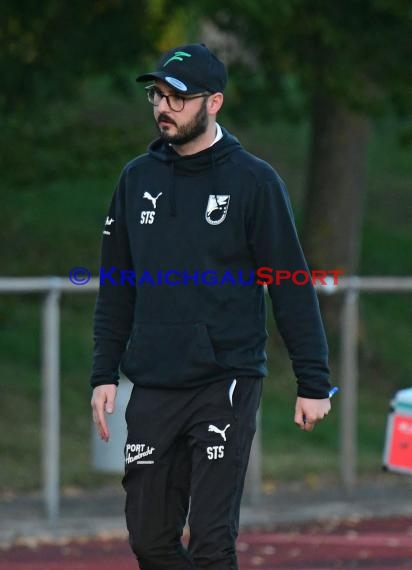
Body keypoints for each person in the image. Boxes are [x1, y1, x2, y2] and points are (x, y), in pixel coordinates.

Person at [90, 43, 332, 570]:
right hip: (153, 380)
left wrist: (313, 381)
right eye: (157, 95)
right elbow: (116, 285)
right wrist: (103, 371)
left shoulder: (254, 182)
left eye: (177, 97)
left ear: (214, 102)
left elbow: (290, 283)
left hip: (224, 378)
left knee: (211, 543)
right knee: (150, 541)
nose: (163, 107)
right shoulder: (136, 179)